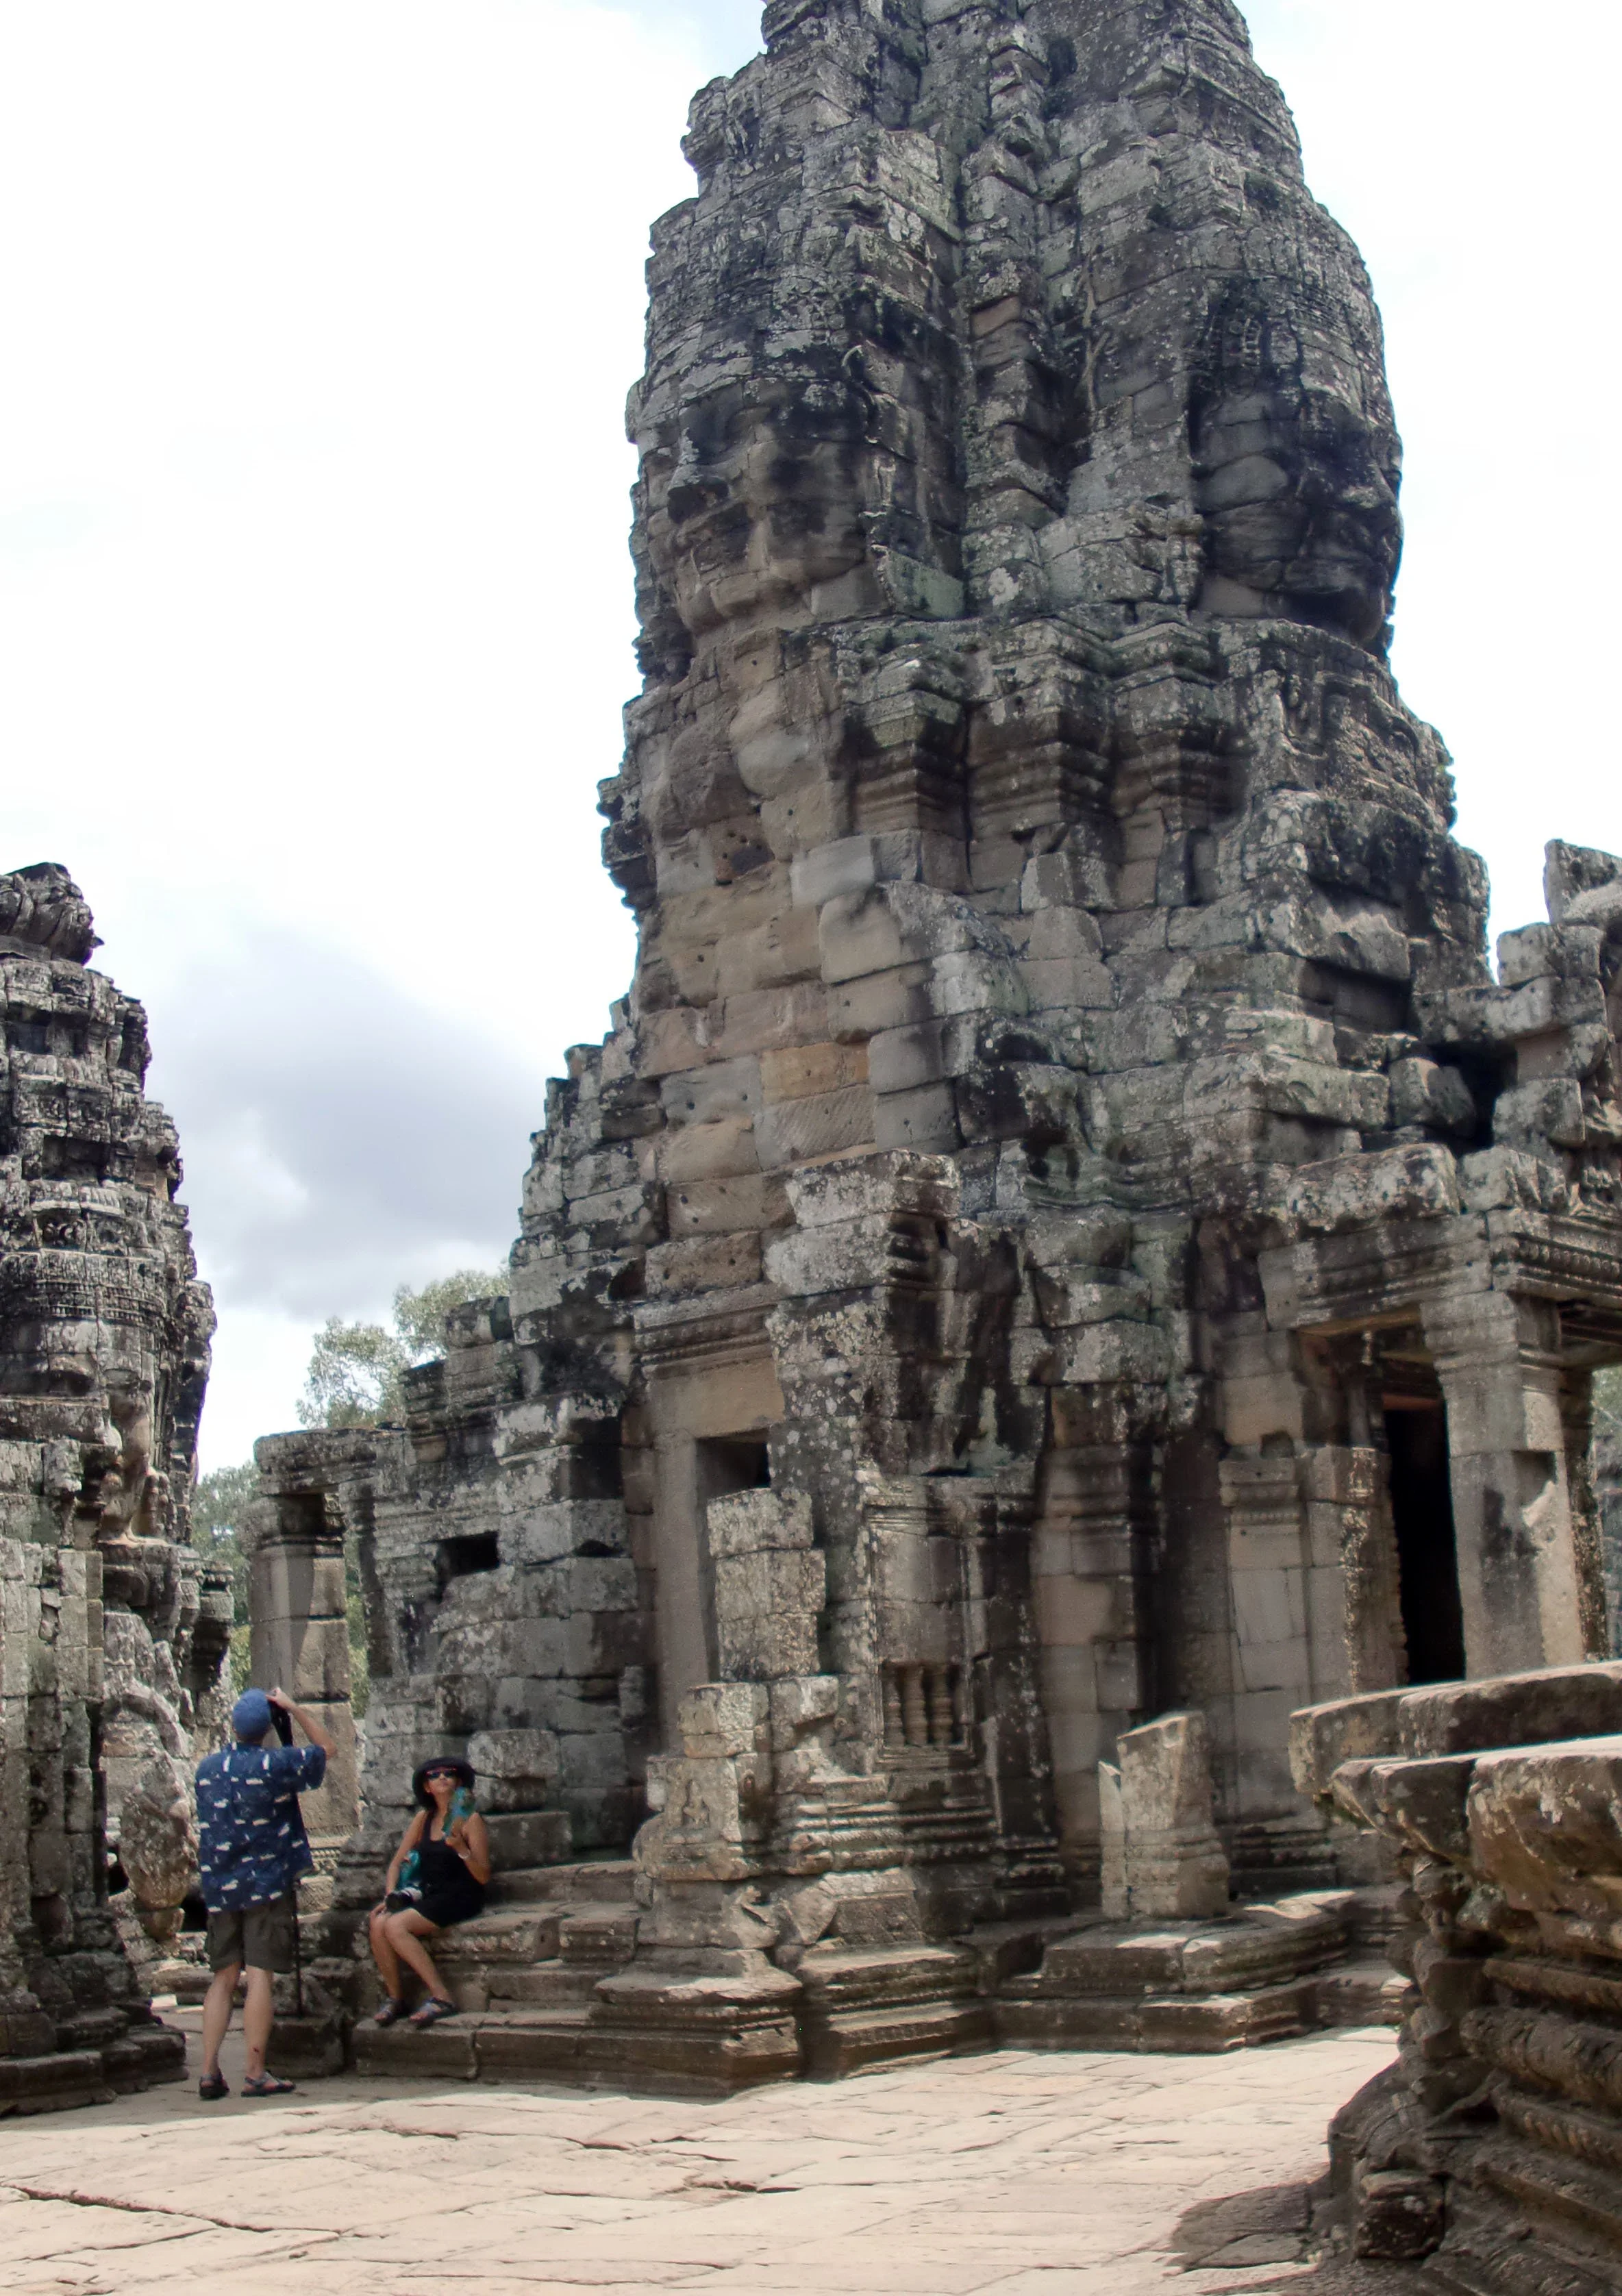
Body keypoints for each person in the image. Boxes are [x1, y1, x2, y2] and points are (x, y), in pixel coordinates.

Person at [194, 1685, 333, 2101]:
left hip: (220, 1886)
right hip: (265, 1885)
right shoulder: (276, 1764)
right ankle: (255, 2071)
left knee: (222, 1979)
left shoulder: (207, 1768)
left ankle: (207, 2071)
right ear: (267, 1728)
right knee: (259, 1978)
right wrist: (296, 1709)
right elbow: (327, 1749)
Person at [369, 1757, 490, 2028]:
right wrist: (391, 1894)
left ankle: (441, 1996)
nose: (443, 1778)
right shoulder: (424, 1818)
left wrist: (461, 1849)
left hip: (462, 1894)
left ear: (458, 1782)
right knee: (378, 1922)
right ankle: (395, 1998)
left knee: (396, 1926)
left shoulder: (470, 1820)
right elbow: (397, 1862)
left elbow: (482, 1875)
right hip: (429, 1892)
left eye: (449, 1774)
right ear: (427, 1787)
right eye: (435, 1775)